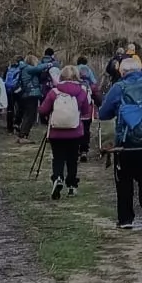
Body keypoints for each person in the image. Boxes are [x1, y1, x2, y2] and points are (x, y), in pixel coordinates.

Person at [99, 53, 142, 230]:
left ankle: (125, 219)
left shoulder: (119, 87)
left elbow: (103, 113)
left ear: (122, 72)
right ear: (140, 69)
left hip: (126, 142)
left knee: (124, 179)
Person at [38, 65, 94, 199]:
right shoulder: (81, 91)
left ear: (61, 76)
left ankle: (57, 177)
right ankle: (72, 186)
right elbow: (86, 111)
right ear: (77, 76)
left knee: (58, 157)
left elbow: (43, 110)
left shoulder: (54, 91)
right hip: (75, 131)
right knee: (72, 159)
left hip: (56, 132)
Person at [74, 56, 99, 161]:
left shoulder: (74, 69)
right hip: (87, 100)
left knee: (75, 126)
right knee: (86, 128)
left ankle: (75, 148)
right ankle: (84, 150)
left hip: (75, 103)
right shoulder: (88, 70)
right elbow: (94, 82)